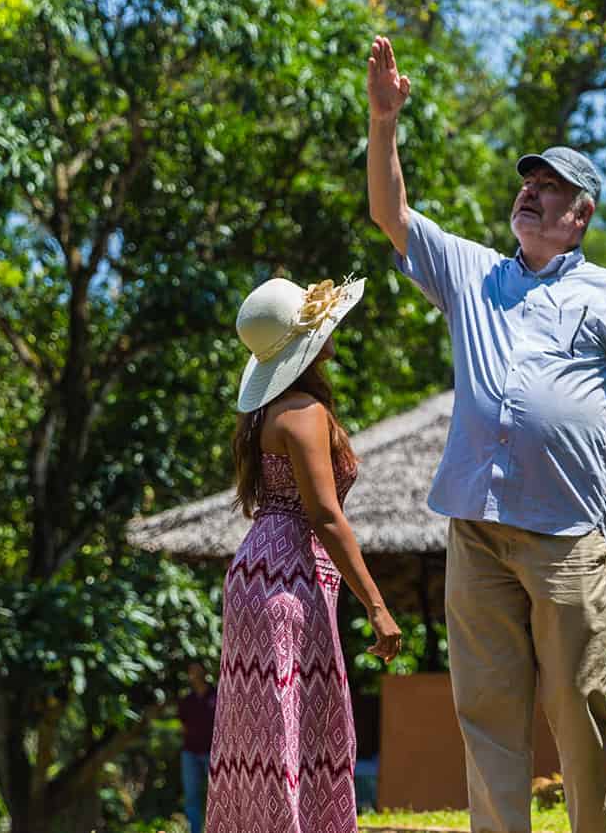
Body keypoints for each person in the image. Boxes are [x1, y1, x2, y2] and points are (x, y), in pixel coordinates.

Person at [364, 35, 606, 833]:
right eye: (528, 183)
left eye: (552, 189)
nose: (532, 194)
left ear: (581, 217)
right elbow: (388, 212)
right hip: (475, 529)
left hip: (568, 536)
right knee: (489, 713)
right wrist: (383, 121)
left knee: (579, 710)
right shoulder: (473, 273)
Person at [206, 276, 403, 833]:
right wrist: (377, 604)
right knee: (287, 723)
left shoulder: (268, 411)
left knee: (267, 726)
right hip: (286, 575)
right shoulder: (305, 409)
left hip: (257, 570)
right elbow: (324, 515)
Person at [178, 662, 218, 833]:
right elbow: (183, 725)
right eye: (191, 671)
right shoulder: (187, 699)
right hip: (191, 753)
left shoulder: (217, 695)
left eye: (197, 670)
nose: (194, 674)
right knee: (192, 796)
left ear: (204, 671)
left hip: (213, 753)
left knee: (217, 794)